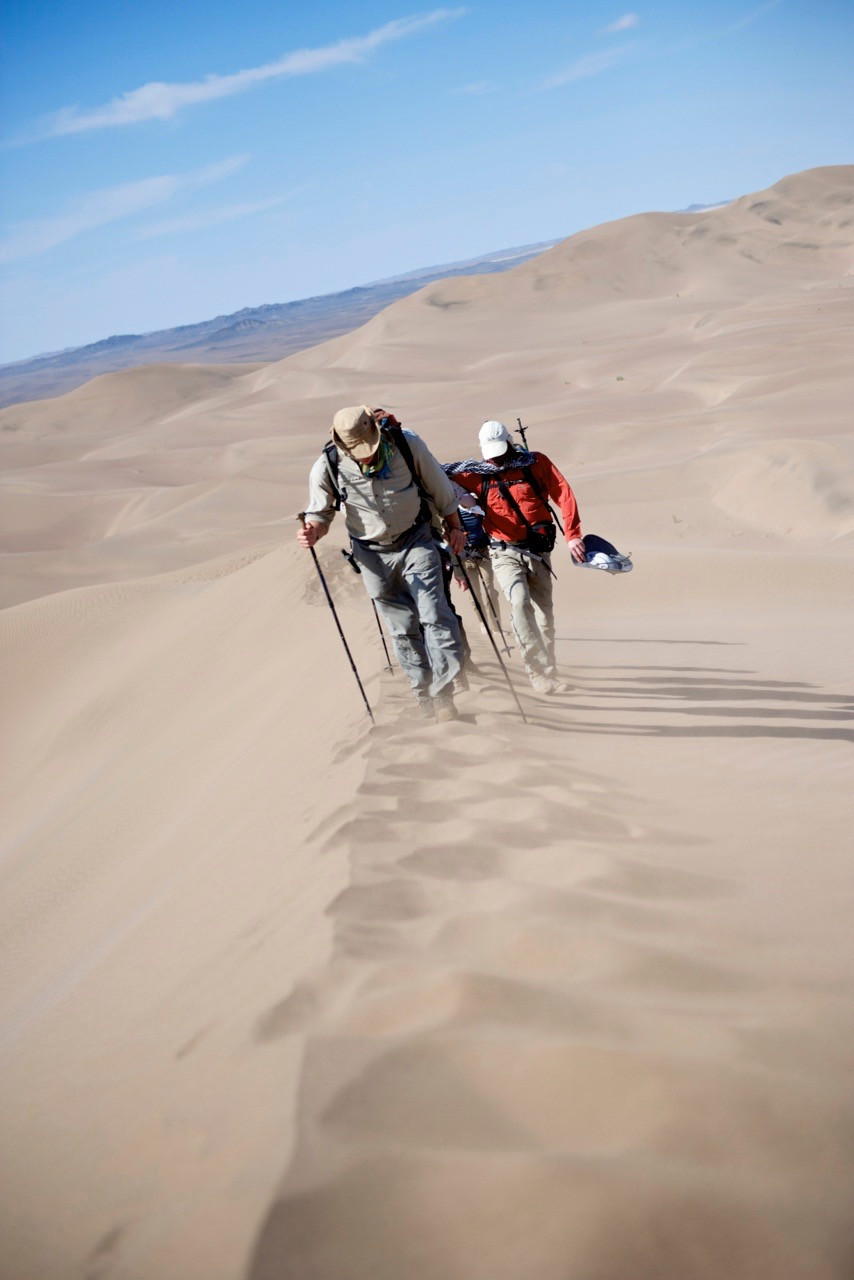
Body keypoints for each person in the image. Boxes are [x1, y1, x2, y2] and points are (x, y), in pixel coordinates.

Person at [297, 405, 467, 721]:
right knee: (402, 629)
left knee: (435, 616)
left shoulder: (406, 443)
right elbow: (320, 513)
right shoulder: (328, 465)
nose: (365, 455)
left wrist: (456, 527)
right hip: (371, 554)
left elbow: (440, 488)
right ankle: (423, 697)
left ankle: (444, 698)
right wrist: (313, 533)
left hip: (416, 539)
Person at [445, 420, 585, 694]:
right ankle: (538, 673)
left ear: (510, 442)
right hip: (503, 550)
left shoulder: (535, 462)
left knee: (545, 613)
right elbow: (435, 476)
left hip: (538, 550)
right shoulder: (475, 473)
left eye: (499, 451)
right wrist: (461, 499)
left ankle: (549, 665)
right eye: (490, 453)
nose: (495, 459)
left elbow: (563, 493)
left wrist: (574, 534)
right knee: (519, 603)